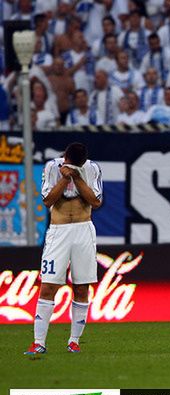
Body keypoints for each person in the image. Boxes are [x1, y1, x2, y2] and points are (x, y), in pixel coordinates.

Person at [25, 143, 103, 355]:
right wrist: (64, 178)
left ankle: (74, 341)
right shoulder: (52, 167)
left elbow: (95, 202)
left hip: (83, 229)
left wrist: (76, 177)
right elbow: (48, 200)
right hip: (58, 231)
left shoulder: (92, 169)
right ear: (65, 157)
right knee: (48, 286)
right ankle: (39, 342)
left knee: (81, 287)